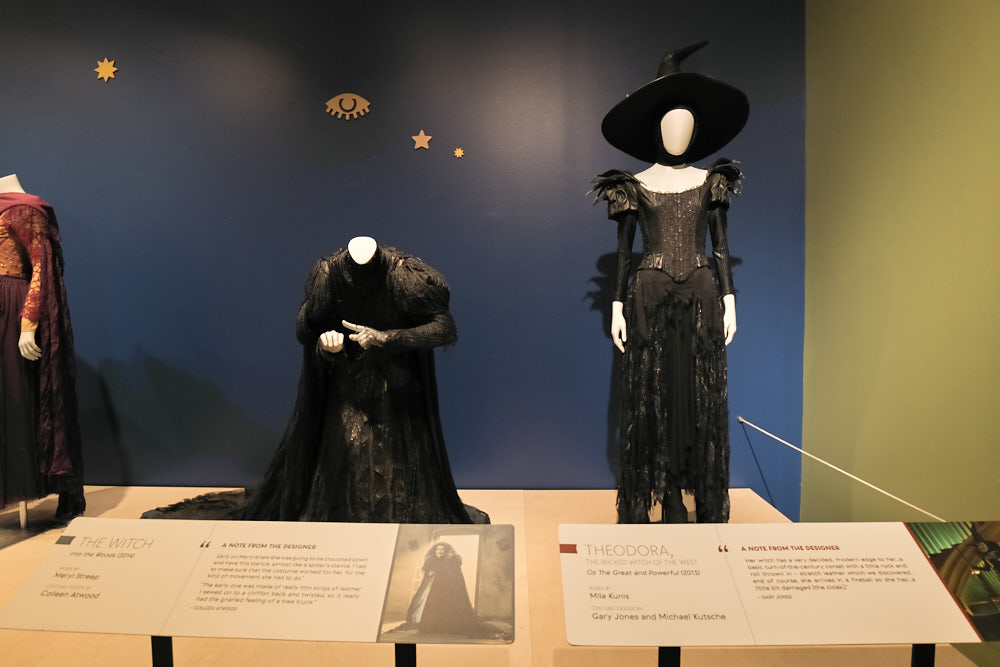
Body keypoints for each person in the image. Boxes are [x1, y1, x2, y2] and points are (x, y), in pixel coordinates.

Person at [593, 42, 748, 523]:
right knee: (652, 395)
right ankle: (661, 496)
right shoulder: (633, 185)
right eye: (670, 122)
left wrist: (730, 299)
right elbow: (625, 252)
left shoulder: (711, 181)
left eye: (686, 123)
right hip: (649, 298)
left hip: (702, 296)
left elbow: (720, 246)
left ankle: (697, 495)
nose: (678, 131)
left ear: (696, 129)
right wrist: (616, 307)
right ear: (656, 127)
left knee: (698, 396)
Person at [241, 237, 481, 523]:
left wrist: (386, 338)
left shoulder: (403, 274)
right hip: (349, 388)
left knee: (399, 472)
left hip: (397, 390)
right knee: (347, 466)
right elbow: (307, 331)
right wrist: (328, 347)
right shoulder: (328, 276)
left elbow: (444, 327)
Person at [0, 174, 85, 521]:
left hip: (11, 307)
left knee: (16, 396)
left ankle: (25, 487)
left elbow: (40, 267)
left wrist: (28, 325)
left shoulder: (24, 209)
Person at [403, 542, 505, 637]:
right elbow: (427, 572)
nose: (439, 551)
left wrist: (437, 572)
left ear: (446, 551)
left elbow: (452, 576)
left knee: (447, 609)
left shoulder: (451, 561)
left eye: (442, 550)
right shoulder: (432, 560)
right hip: (435, 591)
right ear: (434, 551)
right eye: (437, 549)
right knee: (433, 608)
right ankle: (433, 626)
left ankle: (445, 626)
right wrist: (430, 572)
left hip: (448, 591)